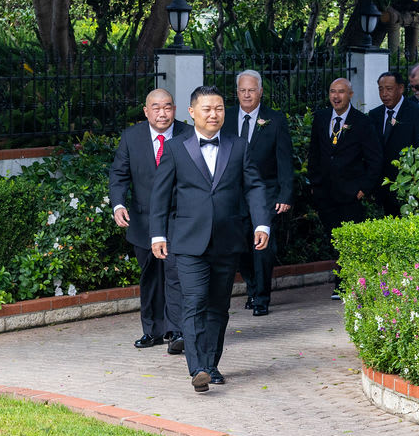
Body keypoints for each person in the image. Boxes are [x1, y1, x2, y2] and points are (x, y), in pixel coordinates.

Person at [149, 86, 271, 393]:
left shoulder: (238, 145)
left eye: (219, 108)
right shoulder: (175, 148)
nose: (213, 114)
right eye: (207, 109)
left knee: (218, 307)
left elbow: (254, 187)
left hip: (227, 241)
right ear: (192, 113)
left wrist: (262, 224)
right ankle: (197, 368)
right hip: (188, 242)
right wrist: (158, 233)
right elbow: (160, 194)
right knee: (194, 302)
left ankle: (211, 365)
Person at [109, 88, 188, 352]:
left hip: (178, 218)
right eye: (156, 107)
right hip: (143, 221)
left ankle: (176, 331)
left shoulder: (188, 135)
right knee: (151, 276)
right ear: (146, 111)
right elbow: (119, 175)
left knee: (176, 273)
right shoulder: (131, 137)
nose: (162, 113)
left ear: (174, 109)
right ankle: (152, 331)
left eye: (167, 107)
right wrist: (119, 204)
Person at [220, 70, 293, 317]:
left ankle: (261, 298)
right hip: (233, 194)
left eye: (251, 90)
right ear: (237, 92)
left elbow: (284, 160)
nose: (247, 94)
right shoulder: (226, 117)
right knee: (239, 246)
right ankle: (252, 289)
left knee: (263, 247)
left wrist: (285, 194)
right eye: (242, 90)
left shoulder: (275, 119)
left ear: (260, 91)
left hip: (266, 193)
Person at [307, 78, 381, 298]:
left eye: (341, 91)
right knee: (333, 238)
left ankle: (344, 284)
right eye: (332, 91)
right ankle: (344, 279)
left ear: (350, 94)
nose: (336, 96)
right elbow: (314, 153)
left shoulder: (362, 122)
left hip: (350, 193)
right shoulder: (321, 118)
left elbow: (375, 158)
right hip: (325, 192)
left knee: (348, 239)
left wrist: (363, 188)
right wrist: (314, 182)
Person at [368, 71, 419, 217]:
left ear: (401, 88)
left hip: (407, 188)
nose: (384, 94)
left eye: (389, 89)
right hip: (382, 188)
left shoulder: (418, 112)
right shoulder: (374, 114)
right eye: (381, 89)